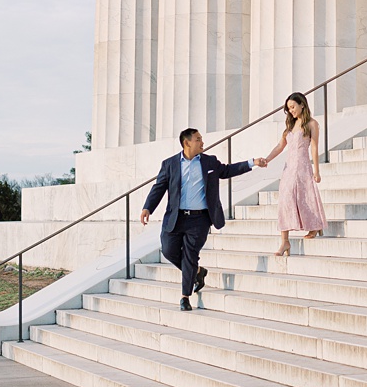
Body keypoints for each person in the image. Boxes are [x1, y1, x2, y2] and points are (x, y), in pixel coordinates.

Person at [140, 127, 256, 311]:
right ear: (187, 143)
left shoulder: (209, 162)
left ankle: (185, 297)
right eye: (198, 139)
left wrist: (252, 162)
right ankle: (198, 272)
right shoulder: (170, 164)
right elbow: (159, 187)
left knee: (190, 256)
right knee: (169, 251)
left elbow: (227, 170)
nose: (202, 142)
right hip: (176, 218)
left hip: (200, 219)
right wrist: (148, 207)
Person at [255, 91, 327, 257]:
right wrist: (267, 159)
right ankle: (285, 241)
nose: (291, 111)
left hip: (302, 166)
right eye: (289, 109)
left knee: (306, 197)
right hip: (288, 169)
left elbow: (314, 148)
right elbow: (280, 146)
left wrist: (316, 171)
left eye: (293, 107)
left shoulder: (312, 124)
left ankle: (315, 225)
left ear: (302, 104)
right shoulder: (290, 127)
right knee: (285, 200)